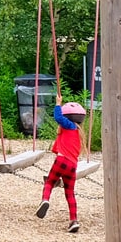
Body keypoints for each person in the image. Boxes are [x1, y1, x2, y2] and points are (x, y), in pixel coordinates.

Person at [35, 100, 87, 233]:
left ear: (67, 118)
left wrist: (58, 104)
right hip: (72, 166)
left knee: (50, 182)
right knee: (70, 193)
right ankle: (73, 221)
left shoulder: (68, 125)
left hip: (61, 161)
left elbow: (58, 117)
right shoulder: (78, 133)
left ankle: (45, 200)